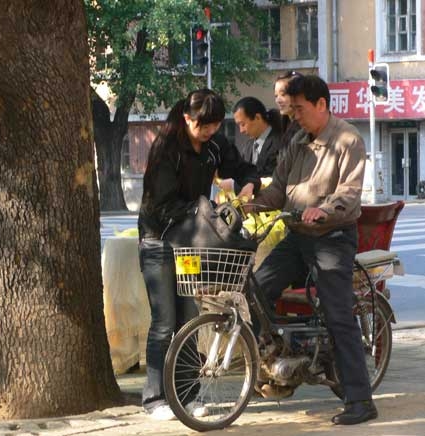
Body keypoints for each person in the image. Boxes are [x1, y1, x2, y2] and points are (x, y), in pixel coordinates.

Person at [246, 74, 377, 425]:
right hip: (297, 236)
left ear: (321, 104)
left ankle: (361, 400)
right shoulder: (297, 140)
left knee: (338, 315)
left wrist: (324, 209)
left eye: (300, 109)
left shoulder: (348, 139)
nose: (295, 116)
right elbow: (278, 190)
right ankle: (277, 364)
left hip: (332, 237)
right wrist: (250, 204)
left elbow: (349, 193)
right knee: (255, 290)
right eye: (292, 109)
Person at [137, 88, 260, 421]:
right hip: (159, 242)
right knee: (164, 322)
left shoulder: (215, 145)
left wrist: (250, 184)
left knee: (189, 318)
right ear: (187, 117)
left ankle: (186, 396)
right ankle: (154, 398)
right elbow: (161, 205)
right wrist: (205, 210)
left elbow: (241, 167)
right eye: (203, 125)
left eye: (215, 126)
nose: (209, 132)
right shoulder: (167, 149)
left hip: (191, 243)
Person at [232, 96, 283, 177]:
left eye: (243, 124)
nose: (241, 130)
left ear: (257, 117)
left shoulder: (280, 143)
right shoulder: (249, 146)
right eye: (239, 125)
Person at [274, 71, 303, 149]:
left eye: (283, 94)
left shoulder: (306, 126)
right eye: (276, 96)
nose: (278, 100)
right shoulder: (281, 123)